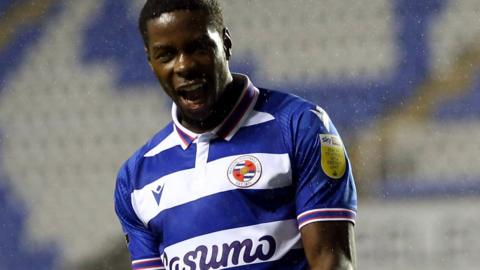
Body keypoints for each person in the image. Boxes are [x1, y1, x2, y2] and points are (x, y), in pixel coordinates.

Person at [114, 0, 358, 269]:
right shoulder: (135, 179)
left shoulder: (300, 127)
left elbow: (331, 261)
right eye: (166, 55)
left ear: (225, 43)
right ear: (151, 63)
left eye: (198, 47)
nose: (184, 66)